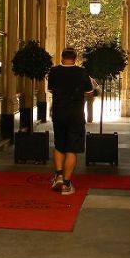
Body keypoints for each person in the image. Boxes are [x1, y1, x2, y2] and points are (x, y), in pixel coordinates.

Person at [47, 46, 94, 195]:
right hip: (75, 114)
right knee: (72, 149)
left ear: (61, 58)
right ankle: (66, 184)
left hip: (59, 113)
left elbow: (51, 89)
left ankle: (59, 175)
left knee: (59, 145)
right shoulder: (82, 72)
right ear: (75, 59)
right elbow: (89, 91)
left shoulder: (54, 71)